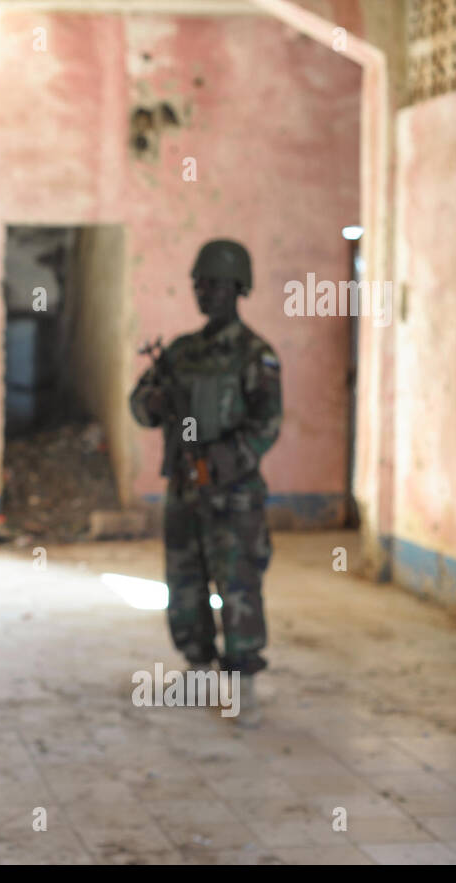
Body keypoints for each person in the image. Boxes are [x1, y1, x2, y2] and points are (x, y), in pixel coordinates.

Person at [129, 239, 281, 725]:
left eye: (213, 283)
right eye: (199, 283)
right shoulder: (180, 352)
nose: (204, 292)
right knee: (184, 585)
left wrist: (222, 460)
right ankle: (197, 673)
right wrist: (154, 403)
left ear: (238, 288)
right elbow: (139, 406)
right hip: (184, 491)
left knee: (238, 585)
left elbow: (267, 425)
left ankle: (243, 687)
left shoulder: (256, 355)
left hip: (233, 496)